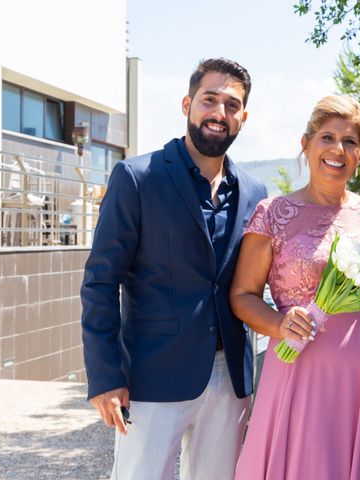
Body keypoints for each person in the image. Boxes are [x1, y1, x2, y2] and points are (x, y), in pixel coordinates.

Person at [80, 58, 267, 480]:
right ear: (187, 104)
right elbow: (100, 281)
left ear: (244, 117)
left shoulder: (255, 192)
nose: (220, 113)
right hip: (152, 375)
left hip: (230, 378)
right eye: (210, 100)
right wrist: (106, 375)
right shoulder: (136, 177)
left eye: (232, 105)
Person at [231, 95, 360, 479]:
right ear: (306, 144)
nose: (338, 149)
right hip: (300, 366)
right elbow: (242, 296)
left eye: (350, 142)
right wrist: (278, 325)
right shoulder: (273, 213)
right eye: (327, 137)